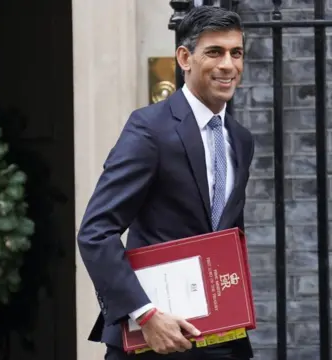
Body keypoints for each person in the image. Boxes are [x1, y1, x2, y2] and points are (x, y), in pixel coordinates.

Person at [77, 5, 255, 360]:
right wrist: (144, 314)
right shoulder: (149, 129)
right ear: (185, 57)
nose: (228, 65)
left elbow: (224, 234)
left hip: (220, 342)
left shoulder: (240, 139)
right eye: (215, 52)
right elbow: (95, 232)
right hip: (152, 342)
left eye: (236, 53)